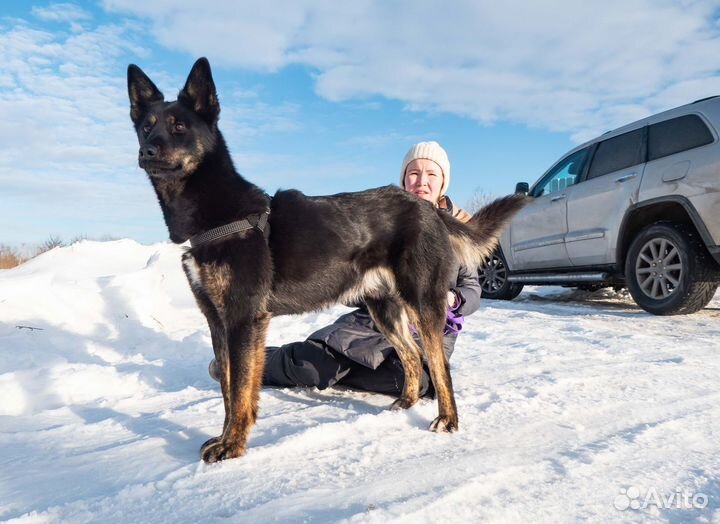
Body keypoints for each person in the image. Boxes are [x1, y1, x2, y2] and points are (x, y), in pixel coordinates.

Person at [209, 141, 481, 398]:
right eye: (414, 173)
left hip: (423, 336)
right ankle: (237, 365)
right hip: (368, 327)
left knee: (416, 382)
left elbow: (473, 291)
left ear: (443, 181)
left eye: (431, 174)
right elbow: (345, 281)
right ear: (403, 180)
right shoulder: (377, 224)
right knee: (309, 367)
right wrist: (364, 281)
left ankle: (340, 373)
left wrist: (452, 299)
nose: (422, 181)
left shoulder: (459, 231)